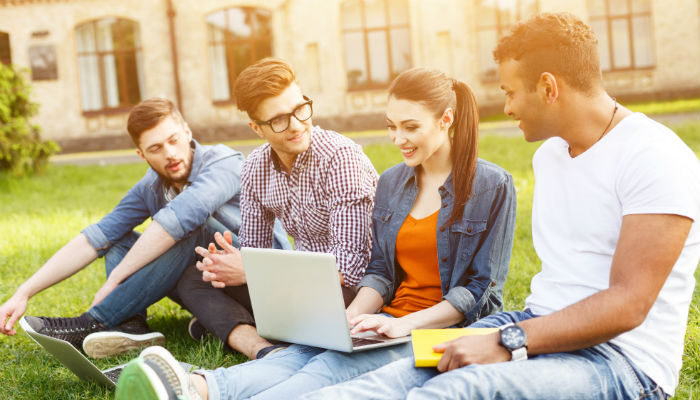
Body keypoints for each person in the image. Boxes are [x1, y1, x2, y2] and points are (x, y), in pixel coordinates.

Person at [300, 12, 700, 400]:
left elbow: (627, 305)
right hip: (534, 323)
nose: (506, 107)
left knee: (456, 388)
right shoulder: (551, 156)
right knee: (393, 380)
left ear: (548, 87)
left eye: (510, 92)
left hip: (621, 360)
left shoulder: (655, 156)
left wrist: (508, 342)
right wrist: (512, 334)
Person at [113, 67, 518, 400]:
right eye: (392, 126)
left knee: (326, 366)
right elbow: (380, 270)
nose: (396, 140)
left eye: (409, 127)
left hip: (438, 328)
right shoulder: (395, 182)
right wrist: (354, 316)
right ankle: (196, 388)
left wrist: (403, 325)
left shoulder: (491, 185)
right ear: (257, 127)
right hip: (380, 313)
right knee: (305, 352)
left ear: (446, 120)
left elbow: (480, 290)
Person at [0, 98, 291, 359]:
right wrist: (24, 292)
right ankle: (132, 326)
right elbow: (96, 236)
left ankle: (96, 320)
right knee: (117, 240)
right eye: (156, 148)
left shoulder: (224, 163)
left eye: (174, 140)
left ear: (187, 132)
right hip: (206, 283)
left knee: (189, 228)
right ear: (142, 155)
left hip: (267, 283)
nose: (170, 153)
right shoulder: (150, 187)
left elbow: (181, 217)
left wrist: (115, 278)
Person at [173, 57, 379, 361]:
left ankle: (236, 324)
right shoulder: (255, 167)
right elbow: (256, 250)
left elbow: (348, 270)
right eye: (279, 119)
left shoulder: (341, 158)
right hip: (297, 287)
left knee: (288, 296)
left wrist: (251, 270)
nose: (296, 125)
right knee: (195, 278)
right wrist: (234, 265)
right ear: (256, 128)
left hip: (352, 293)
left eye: (299, 109)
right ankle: (262, 347)